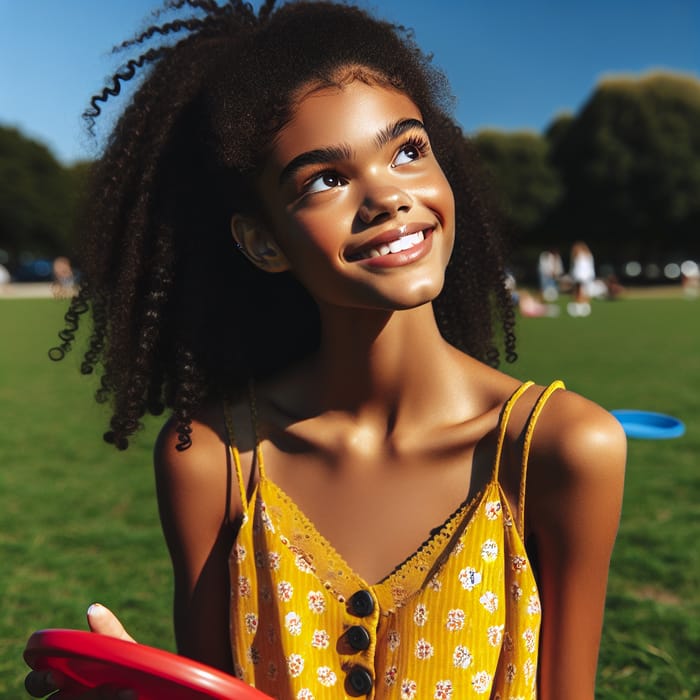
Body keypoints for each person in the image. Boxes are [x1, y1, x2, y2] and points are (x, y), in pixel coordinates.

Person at [25, 2, 626, 698]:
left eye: (408, 150)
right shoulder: (214, 461)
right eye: (325, 181)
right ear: (263, 241)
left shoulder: (560, 451)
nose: (388, 197)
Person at [568, 241, 596, 317]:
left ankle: (580, 306)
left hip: (581, 275)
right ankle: (583, 306)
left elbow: (577, 267)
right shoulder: (588, 254)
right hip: (587, 275)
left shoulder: (579, 255)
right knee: (584, 291)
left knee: (580, 291)